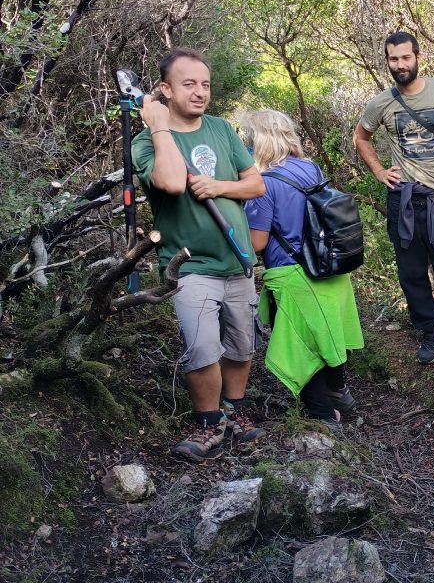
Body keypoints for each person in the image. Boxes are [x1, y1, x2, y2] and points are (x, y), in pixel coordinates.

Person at [132, 48, 267, 463]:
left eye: (205, 84)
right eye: (189, 84)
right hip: (190, 266)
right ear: (165, 89)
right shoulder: (144, 142)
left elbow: (256, 185)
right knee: (202, 347)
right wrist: (158, 126)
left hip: (237, 260)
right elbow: (171, 182)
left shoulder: (222, 129)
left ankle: (235, 411)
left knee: (241, 346)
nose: (200, 92)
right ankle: (207, 423)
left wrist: (218, 187)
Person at [353, 31, 434, 368]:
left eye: (405, 58)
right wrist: (380, 172)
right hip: (403, 200)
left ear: (417, 57)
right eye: (393, 59)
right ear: (387, 62)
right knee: (411, 273)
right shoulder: (381, 102)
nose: (400, 65)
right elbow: (361, 137)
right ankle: (429, 332)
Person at [241, 110, 364, 423]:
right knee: (329, 335)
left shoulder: (264, 184)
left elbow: (256, 243)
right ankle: (341, 396)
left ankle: (324, 418)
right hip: (329, 267)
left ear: (257, 142)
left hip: (295, 274)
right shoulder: (310, 168)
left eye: (247, 140)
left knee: (302, 345)